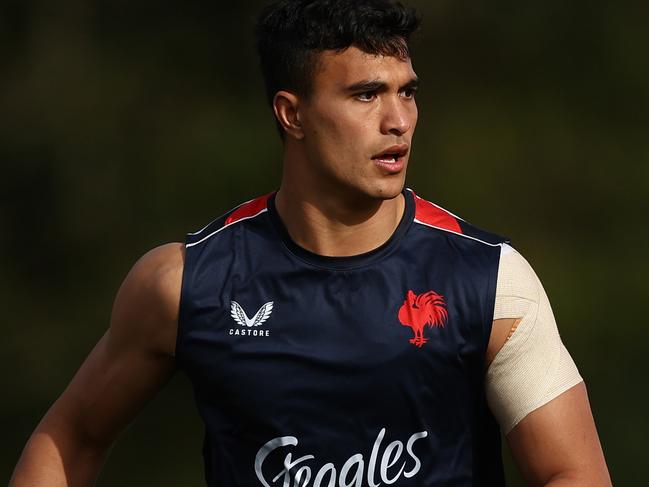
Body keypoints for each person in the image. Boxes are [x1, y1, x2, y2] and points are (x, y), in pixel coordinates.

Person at [11, 1, 611, 485]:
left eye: (407, 91)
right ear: (290, 114)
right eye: (366, 94)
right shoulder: (185, 283)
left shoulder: (490, 280)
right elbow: (69, 441)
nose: (399, 120)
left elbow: (572, 471)